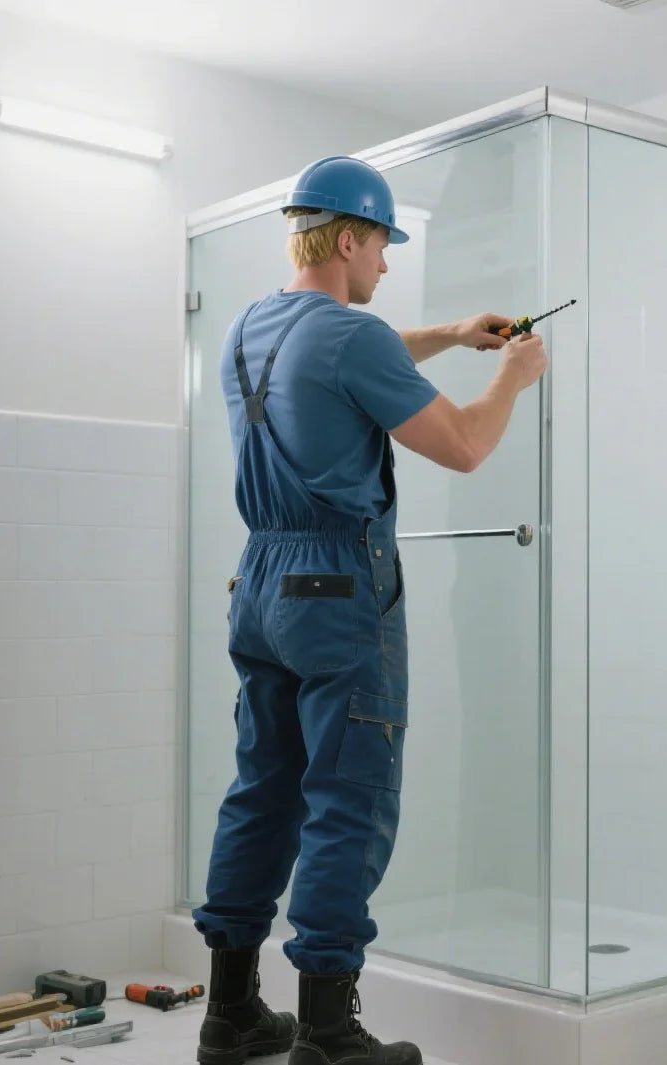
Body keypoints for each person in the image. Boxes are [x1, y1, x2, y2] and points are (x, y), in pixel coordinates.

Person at [192, 154, 548, 1065]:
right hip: (338, 593)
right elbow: (465, 444)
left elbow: (353, 355)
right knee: (348, 798)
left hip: (261, 584)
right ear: (347, 237)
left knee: (261, 789)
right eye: (383, 245)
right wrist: (513, 374)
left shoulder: (249, 329)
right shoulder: (354, 341)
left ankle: (229, 1011)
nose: (387, 263)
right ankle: (328, 1030)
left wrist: (453, 332)